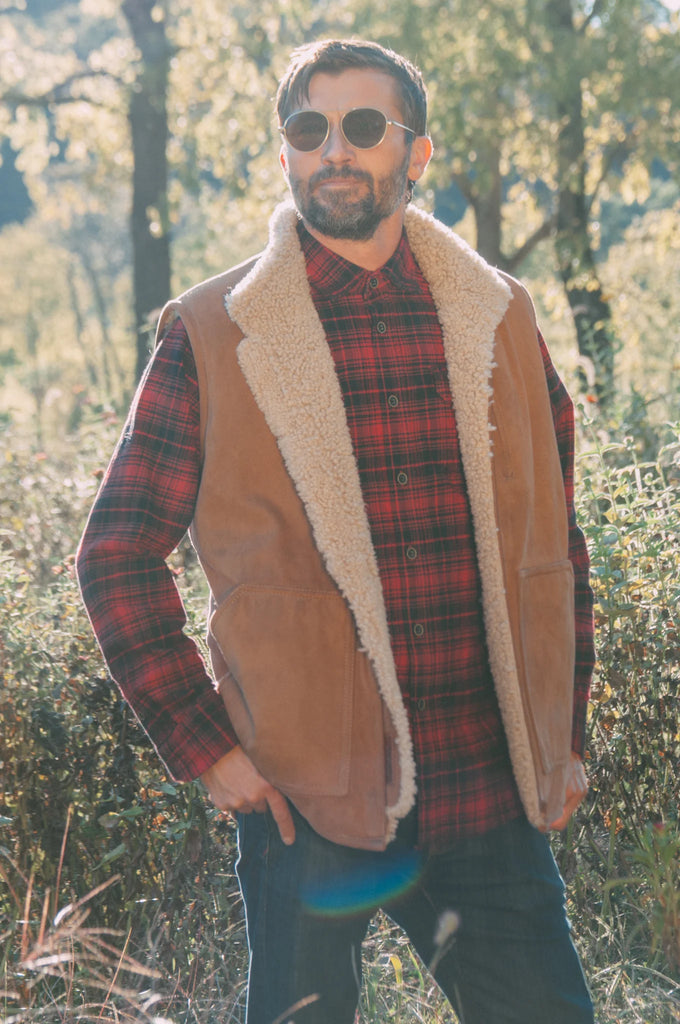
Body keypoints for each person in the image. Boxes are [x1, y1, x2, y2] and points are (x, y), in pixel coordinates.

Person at [77, 38, 596, 1024]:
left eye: (362, 127)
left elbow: (553, 550)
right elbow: (115, 552)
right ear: (284, 154)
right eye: (307, 130)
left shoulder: (499, 319)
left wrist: (561, 736)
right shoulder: (214, 331)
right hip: (305, 800)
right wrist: (207, 746)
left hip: (485, 788)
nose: (333, 152)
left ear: (416, 153)